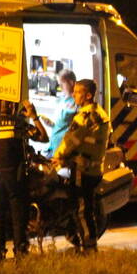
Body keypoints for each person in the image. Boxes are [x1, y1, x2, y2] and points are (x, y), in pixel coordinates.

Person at [0, 100, 48, 260]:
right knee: (19, 218)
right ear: (11, 107)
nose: (11, 106)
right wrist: (34, 116)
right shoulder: (19, 124)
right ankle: (21, 254)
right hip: (16, 178)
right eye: (11, 104)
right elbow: (43, 137)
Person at [52, 79, 110, 254]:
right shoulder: (100, 113)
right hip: (94, 169)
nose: (74, 95)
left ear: (88, 95)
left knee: (81, 210)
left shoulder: (83, 116)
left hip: (82, 171)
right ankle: (79, 240)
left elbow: (71, 140)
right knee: (84, 208)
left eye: (78, 92)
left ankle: (89, 247)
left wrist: (57, 157)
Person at [42, 69, 77, 157]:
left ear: (71, 82)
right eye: (59, 83)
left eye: (62, 83)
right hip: (54, 145)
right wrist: (51, 124)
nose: (60, 87)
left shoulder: (77, 102)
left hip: (64, 148)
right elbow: (60, 124)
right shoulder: (62, 100)